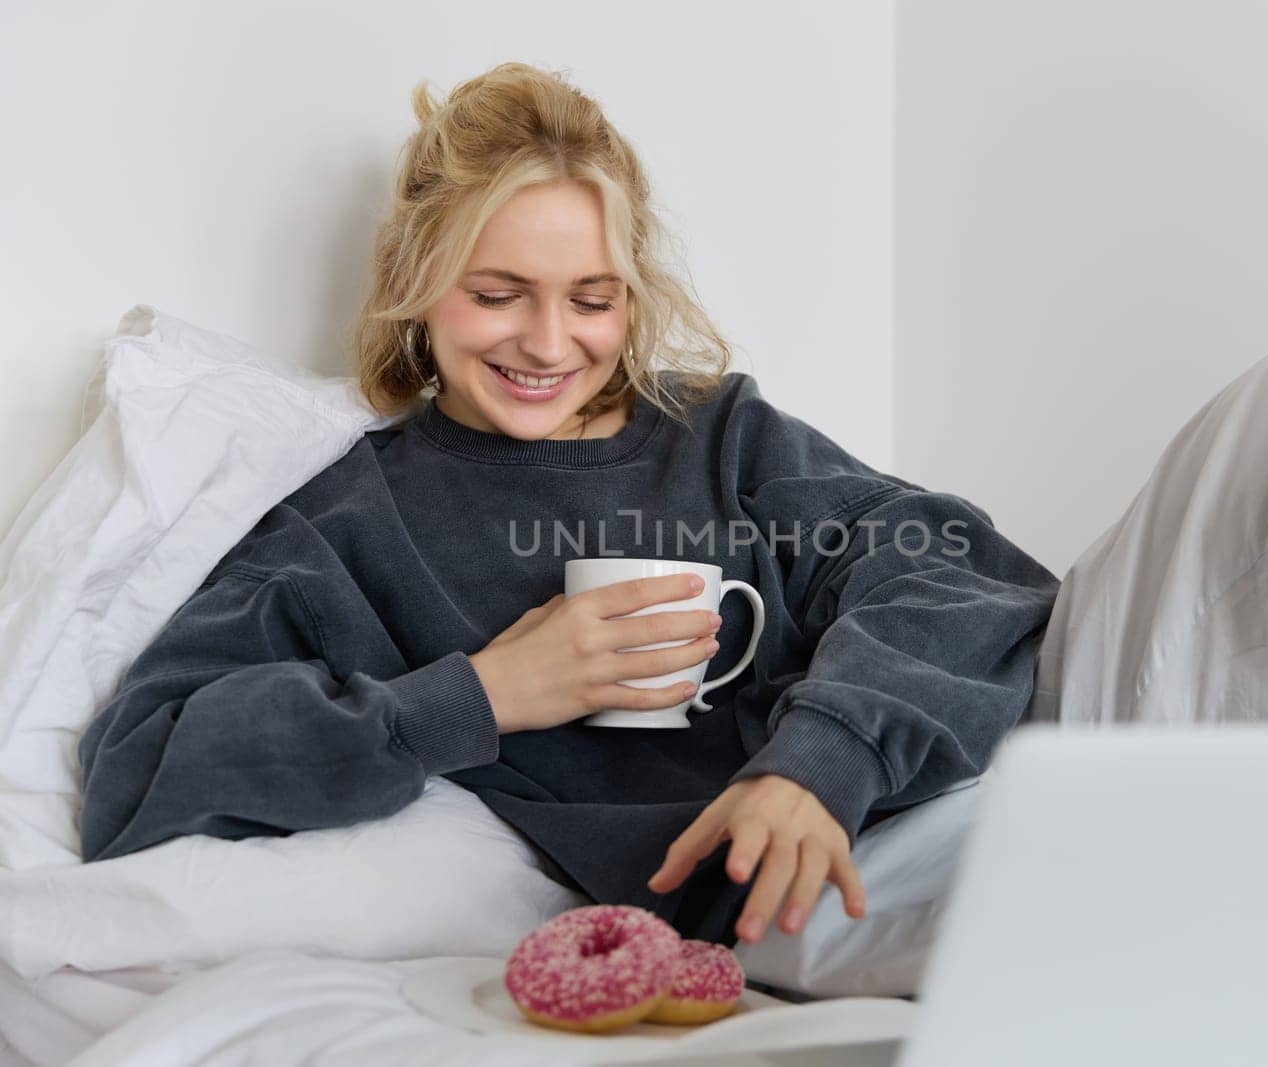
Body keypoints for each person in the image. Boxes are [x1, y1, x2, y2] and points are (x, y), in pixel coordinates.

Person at [75, 62, 1060, 952]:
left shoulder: (720, 434)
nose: (549, 344)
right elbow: (140, 764)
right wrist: (488, 693)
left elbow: (964, 570)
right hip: (764, 916)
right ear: (417, 281)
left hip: (894, 815)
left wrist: (817, 762)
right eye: (500, 293)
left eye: (592, 299)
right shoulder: (348, 525)